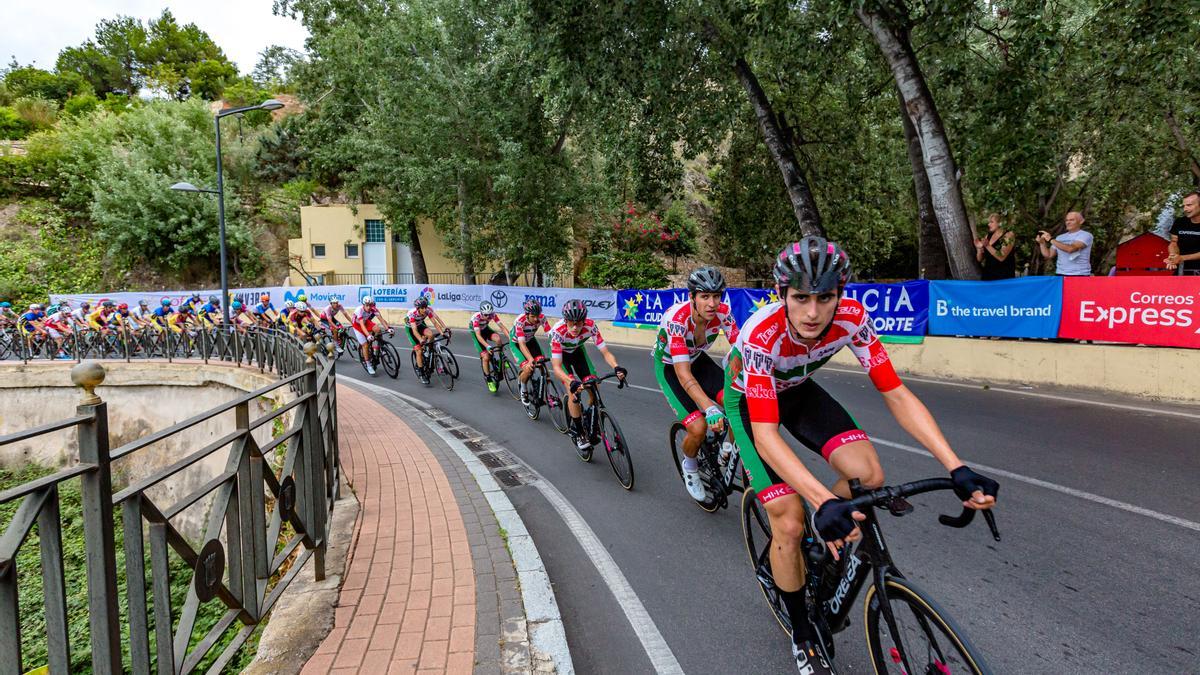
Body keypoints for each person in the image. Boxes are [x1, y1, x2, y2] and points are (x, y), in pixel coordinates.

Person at [723, 238, 999, 673]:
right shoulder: (762, 334)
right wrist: (822, 502)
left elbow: (897, 394)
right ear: (782, 295)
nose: (812, 313)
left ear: (841, 293)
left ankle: (820, 542)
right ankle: (801, 629)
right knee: (789, 517)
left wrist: (956, 465)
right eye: (800, 299)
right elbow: (766, 434)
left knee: (869, 473)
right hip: (750, 405)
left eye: (825, 298)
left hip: (798, 392)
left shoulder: (853, 319)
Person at [652, 266, 740, 502]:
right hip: (671, 367)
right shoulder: (677, 320)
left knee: (738, 403)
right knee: (698, 427)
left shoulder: (723, 313)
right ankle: (690, 467)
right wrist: (709, 407)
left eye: (716, 296)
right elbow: (683, 374)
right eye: (705, 296)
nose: (712, 303)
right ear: (692, 297)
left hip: (698, 359)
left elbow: (740, 352)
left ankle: (727, 448)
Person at [549, 299, 627, 452]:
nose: (575, 327)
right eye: (571, 322)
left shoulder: (591, 326)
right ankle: (579, 433)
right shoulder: (558, 332)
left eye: (579, 323)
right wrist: (570, 382)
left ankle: (590, 412)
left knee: (594, 383)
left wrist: (616, 367)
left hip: (578, 352)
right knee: (572, 390)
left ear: (584, 321)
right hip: (562, 356)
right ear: (566, 320)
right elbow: (556, 368)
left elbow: (605, 352)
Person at [509, 299, 553, 405]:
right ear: (527, 314)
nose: (536, 319)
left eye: (537, 315)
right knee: (528, 369)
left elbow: (551, 335)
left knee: (543, 365)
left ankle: (549, 395)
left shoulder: (542, 318)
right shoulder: (520, 321)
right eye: (533, 316)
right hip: (517, 344)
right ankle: (523, 389)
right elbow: (522, 344)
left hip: (531, 341)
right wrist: (530, 359)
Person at [405, 296, 448, 384]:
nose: (424, 309)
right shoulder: (412, 314)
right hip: (411, 328)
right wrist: (420, 339)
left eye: (425, 307)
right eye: (422, 308)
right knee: (419, 351)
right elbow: (415, 330)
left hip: (420, 324)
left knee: (431, 335)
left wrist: (442, 332)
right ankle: (421, 373)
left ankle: (428, 351)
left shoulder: (428, 310)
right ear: (418, 308)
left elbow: (435, 322)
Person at [470, 301, 509, 392]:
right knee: (486, 357)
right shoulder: (476, 318)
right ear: (481, 313)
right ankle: (488, 379)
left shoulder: (492, 315)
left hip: (485, 329)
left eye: (489, 315)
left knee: (498, 339)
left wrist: (511, 339)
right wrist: (487, 346)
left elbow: (502, 327)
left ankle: (501, 358)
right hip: (477, 333)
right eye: (486, 315)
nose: (488, 317)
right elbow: (479, 336)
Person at [1037, 211, 1093, 276]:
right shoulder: (1060, 237)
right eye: (1066, 220)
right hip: (1060, 274)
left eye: (1072, 220)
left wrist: (1050, 239)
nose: (1068, 222)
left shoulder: (1086, 235)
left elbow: (1071, 249)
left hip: (1079, 274)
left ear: (1081, 221)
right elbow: (1049, 255)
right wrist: (1042, 243)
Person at [351, 296, 394, 375]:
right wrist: (367, 335)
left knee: (378, 329)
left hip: (366, 321)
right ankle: (368, 365)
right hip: (357, 325)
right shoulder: (359, 310)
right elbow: (362, 326)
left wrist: (388, 328)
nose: (368, 307)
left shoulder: (373, 309)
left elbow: (381, 319)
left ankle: (380, 346)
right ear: (363, 305)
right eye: (367, 305)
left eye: (370, 305)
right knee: (365, 345)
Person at [1166, 191, 1200, 275]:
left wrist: (1182, 258)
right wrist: (1173, 256)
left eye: (1189, 205)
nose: (1185, 209)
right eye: (1184, 206)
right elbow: (1174, 242)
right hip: (1183, 272)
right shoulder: (1180, 222)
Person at [975, 213, 1017, 280]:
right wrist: (979, 248)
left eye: (991, 222)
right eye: (989, 222)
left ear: (1000, 223)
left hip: (1004, 278)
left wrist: (987, 246)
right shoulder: (987, 236)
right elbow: (979, 259)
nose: (988, 224)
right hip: (988, 277)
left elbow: (1001, 256)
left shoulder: (1009, 235)